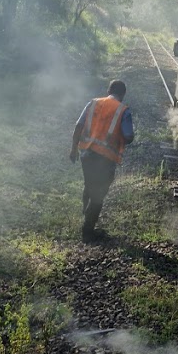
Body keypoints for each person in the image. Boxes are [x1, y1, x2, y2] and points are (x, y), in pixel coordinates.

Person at [69, 79, 134, 241]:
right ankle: (88, 231)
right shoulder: (123, 111)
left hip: (86, 154)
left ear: (108, 91)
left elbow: (78, 125)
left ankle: (86, 211)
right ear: (123, 94)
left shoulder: (93, 103)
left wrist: (73, 149)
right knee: (99, 194)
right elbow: (128, 136)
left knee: (90, 184)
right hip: (106, 159)